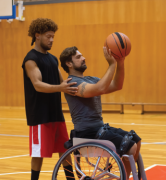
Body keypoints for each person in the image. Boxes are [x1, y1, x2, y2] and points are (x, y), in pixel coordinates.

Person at [59, 46, 142, 178]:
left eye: (82, 55)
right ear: (69, 64)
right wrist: (111, 65)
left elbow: (117, 85)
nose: (83, 58)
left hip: (100, 129)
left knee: (135, 140)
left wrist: (120, 63)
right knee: (130, 147)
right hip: (86, 133)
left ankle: (124, 176)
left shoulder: (91, 79)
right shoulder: (71, 84)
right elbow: (100, 88)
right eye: (79, 57)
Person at [22, 18, 77, 180]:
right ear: (37, 35)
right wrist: (61, 88)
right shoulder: (31, 59)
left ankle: (71, 178)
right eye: (48, 36)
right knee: (39, 153)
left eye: (53, 36)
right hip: (40, 115)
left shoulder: (52, 59)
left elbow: (63, 82)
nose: (52, 40)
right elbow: (38, 85)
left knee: (65, 148)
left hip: (56, 113)